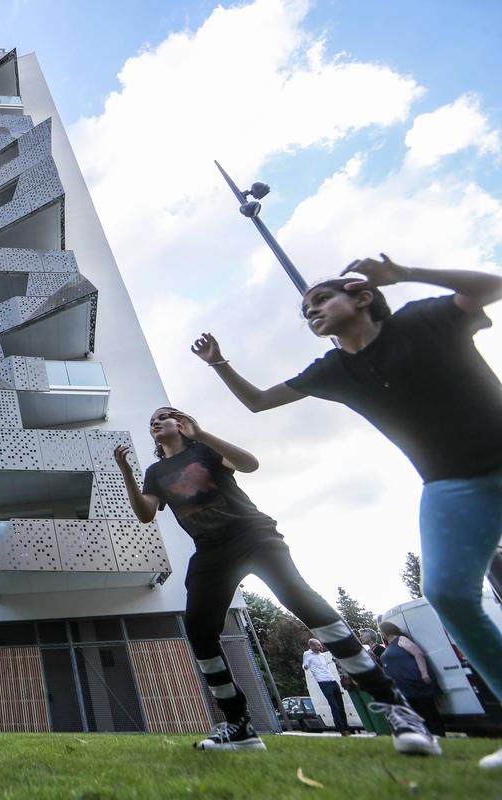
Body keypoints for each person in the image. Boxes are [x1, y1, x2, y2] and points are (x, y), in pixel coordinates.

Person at [191, 253, 502, 768]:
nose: (310, 310)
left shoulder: (423, 320)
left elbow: (492, 285)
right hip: (449, 483)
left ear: (361, 297)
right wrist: (219, 363)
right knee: (446, 591)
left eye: (320, 300)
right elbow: (260, 402)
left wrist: (405, 274)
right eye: (305, 309)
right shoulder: (334, 369)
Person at [115, 407, 439, 754]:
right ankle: (240, 727)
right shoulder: (156, 472)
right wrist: (127, 474)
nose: (156, 420)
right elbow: (146, 513)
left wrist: (203, 433)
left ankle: (396, 707)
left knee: (301, 599)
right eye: (152, 420)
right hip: (210, 550)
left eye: (165, 415)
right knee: (197, 628)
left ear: (181, 423)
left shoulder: (204, 450)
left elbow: (249, 464)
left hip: (252, 534)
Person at [378, 621, 446, 736]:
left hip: (415, 681)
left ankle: (439, 734)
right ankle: (428, 735)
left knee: (428, 711)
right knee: (417, 713)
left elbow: (418, 653)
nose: (380, 634)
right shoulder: (389, 645)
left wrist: (424, 673)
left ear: (386, 631)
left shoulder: (401, 640)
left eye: (381, 631)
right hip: (404, 687)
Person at [303, 638, 351, 735]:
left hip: (332, 680)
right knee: (334, 706)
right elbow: (304, 665)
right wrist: (306, 666)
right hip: (323, 682)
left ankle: (346, 727)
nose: (320, 647)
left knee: (341, 706)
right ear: (312, 646)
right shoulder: (307, 654)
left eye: (320, 645)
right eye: (318, 645)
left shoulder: (322, 656)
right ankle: (342, 729)